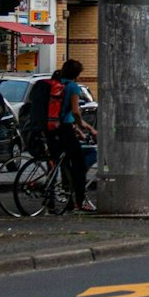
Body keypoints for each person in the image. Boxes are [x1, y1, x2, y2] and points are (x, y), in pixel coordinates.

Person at [28, 59, 94, 212]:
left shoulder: (55, 84)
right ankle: (79, 201)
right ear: (77, 74)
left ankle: (57, 200)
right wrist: (85, 127)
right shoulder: (72, 87)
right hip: (64, 130)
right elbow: (75, 112)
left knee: (58, 161)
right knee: (79, 165)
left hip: (51, 128)